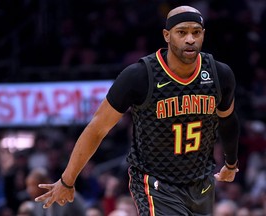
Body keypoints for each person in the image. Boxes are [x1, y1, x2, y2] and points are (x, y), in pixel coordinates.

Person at [35, 5, 240, 215]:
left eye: (196, 32)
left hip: (201, 181)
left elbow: (228, 120)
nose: (190, 39)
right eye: (182, 32)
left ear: (203, 35)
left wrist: (231, 164)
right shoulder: (139, 76)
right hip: (156, 182)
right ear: (167, 35)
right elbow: (97, 128)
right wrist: (67, 180)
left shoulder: (219, 74)